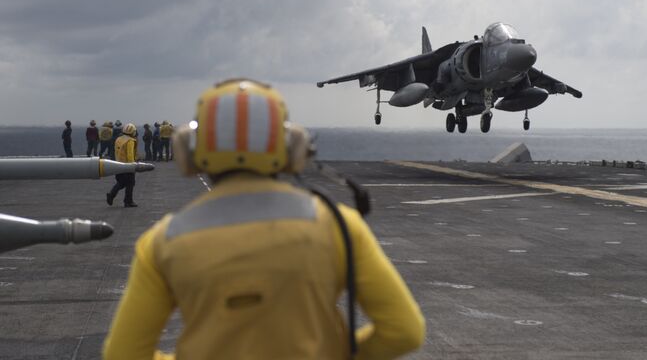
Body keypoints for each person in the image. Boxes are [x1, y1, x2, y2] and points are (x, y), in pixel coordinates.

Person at [103, 79, 425, 360]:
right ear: (292, 147)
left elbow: (123, 354)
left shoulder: (162, 243)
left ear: (191, 150)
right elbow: (404, 331)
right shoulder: (340, 226)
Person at [106, 123, 138, 208]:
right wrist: (133, 166)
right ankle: (128, 201)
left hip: (118, 164)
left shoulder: (119, 139)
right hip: (127, 166)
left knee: (121, 182)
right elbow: (130, 155)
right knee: (130, 183)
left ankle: (111, 195)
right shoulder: (130, 141)